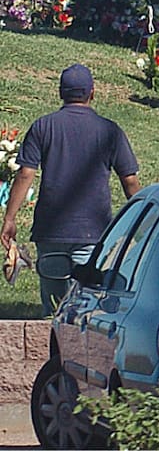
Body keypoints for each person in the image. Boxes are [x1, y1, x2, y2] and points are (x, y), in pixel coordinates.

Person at [1, 64, 141, 316]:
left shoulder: (43, 127)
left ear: (60, 93)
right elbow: (129, 180)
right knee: (88, 308)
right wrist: (143, 216)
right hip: (94, 232)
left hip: (51, 231)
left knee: (53, 311)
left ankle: (54, 351)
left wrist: (10, 218)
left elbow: (25, 174)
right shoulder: (109, 130)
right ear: (92, 93)